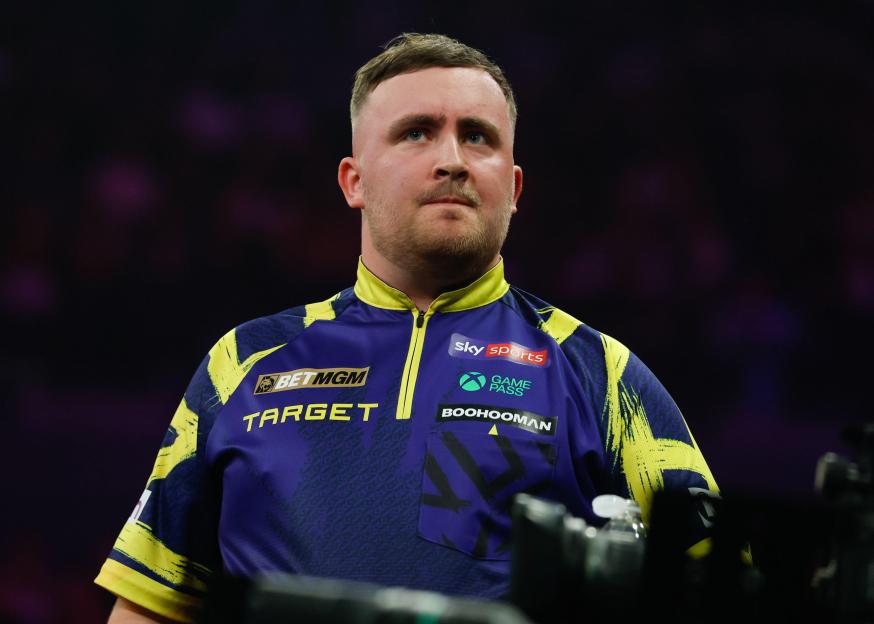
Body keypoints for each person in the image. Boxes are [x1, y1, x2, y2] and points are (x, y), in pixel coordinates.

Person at [96, 33, 720, 623]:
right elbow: (148, 605)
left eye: (477, 137)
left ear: (515, 187)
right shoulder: (243, 362)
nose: (452, 160)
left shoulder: (601, 374)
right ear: (354, 181)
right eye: (417, 132)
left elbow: (727, 591)